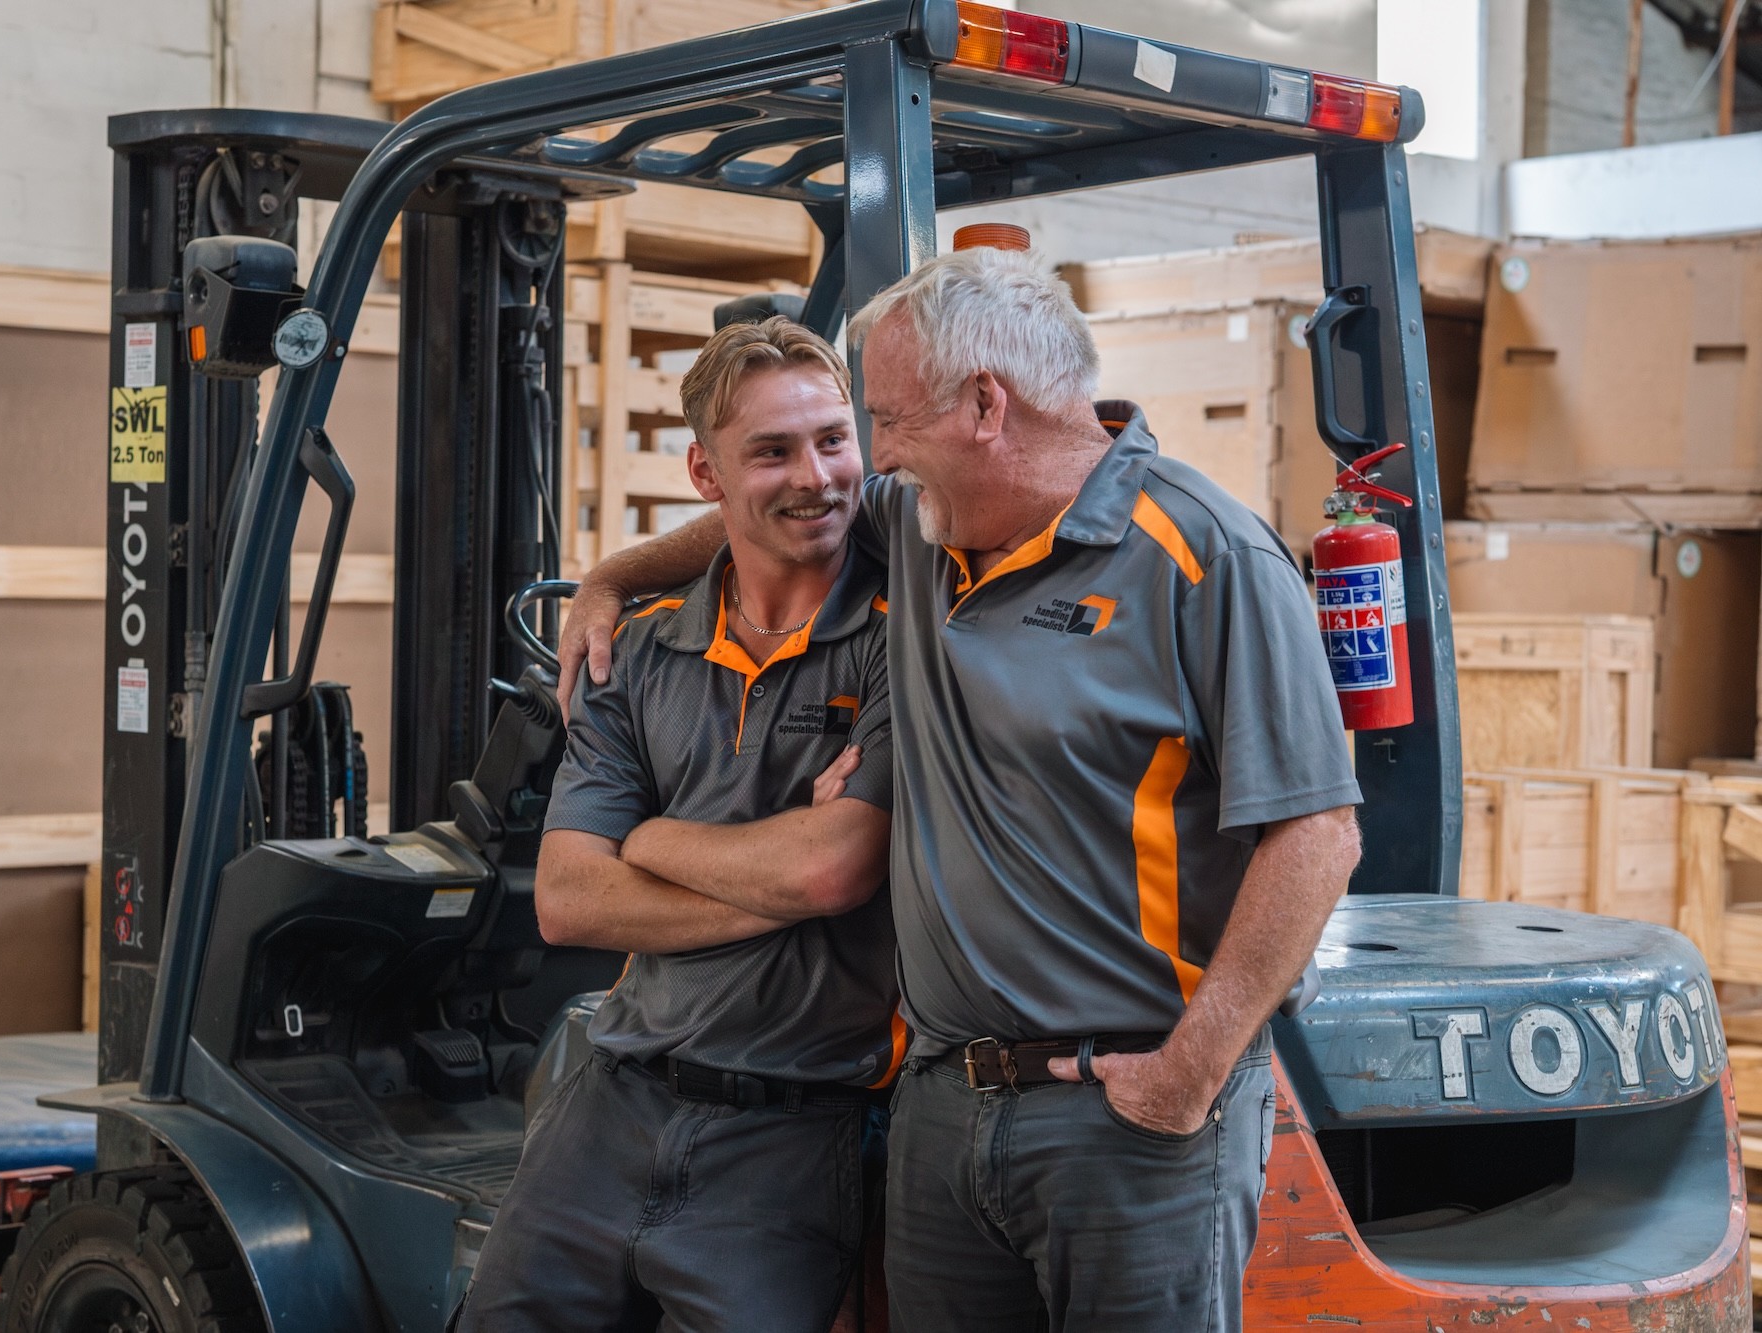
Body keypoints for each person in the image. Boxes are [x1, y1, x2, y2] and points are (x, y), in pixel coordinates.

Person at [555, 247, 1363, 1331]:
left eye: (885, 422)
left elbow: (1315, 836)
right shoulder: (928, 528)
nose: (866, 461)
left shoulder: (1204, 557)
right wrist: (614, 577)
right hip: (945, 1105)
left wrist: (1189, 1068)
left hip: (1122, 1110)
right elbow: (780, 506)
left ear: (986, 403)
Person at [456, 316, 900, 1333]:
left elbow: (834, 871)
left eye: (834, 439)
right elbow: (569, 900)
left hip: (796, 1124)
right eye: (773, 451)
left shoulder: (900, 633)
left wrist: (650, 843)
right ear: (704, 472)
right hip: (609, 1100)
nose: (817, 476)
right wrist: (775, 876)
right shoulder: (637, 654)